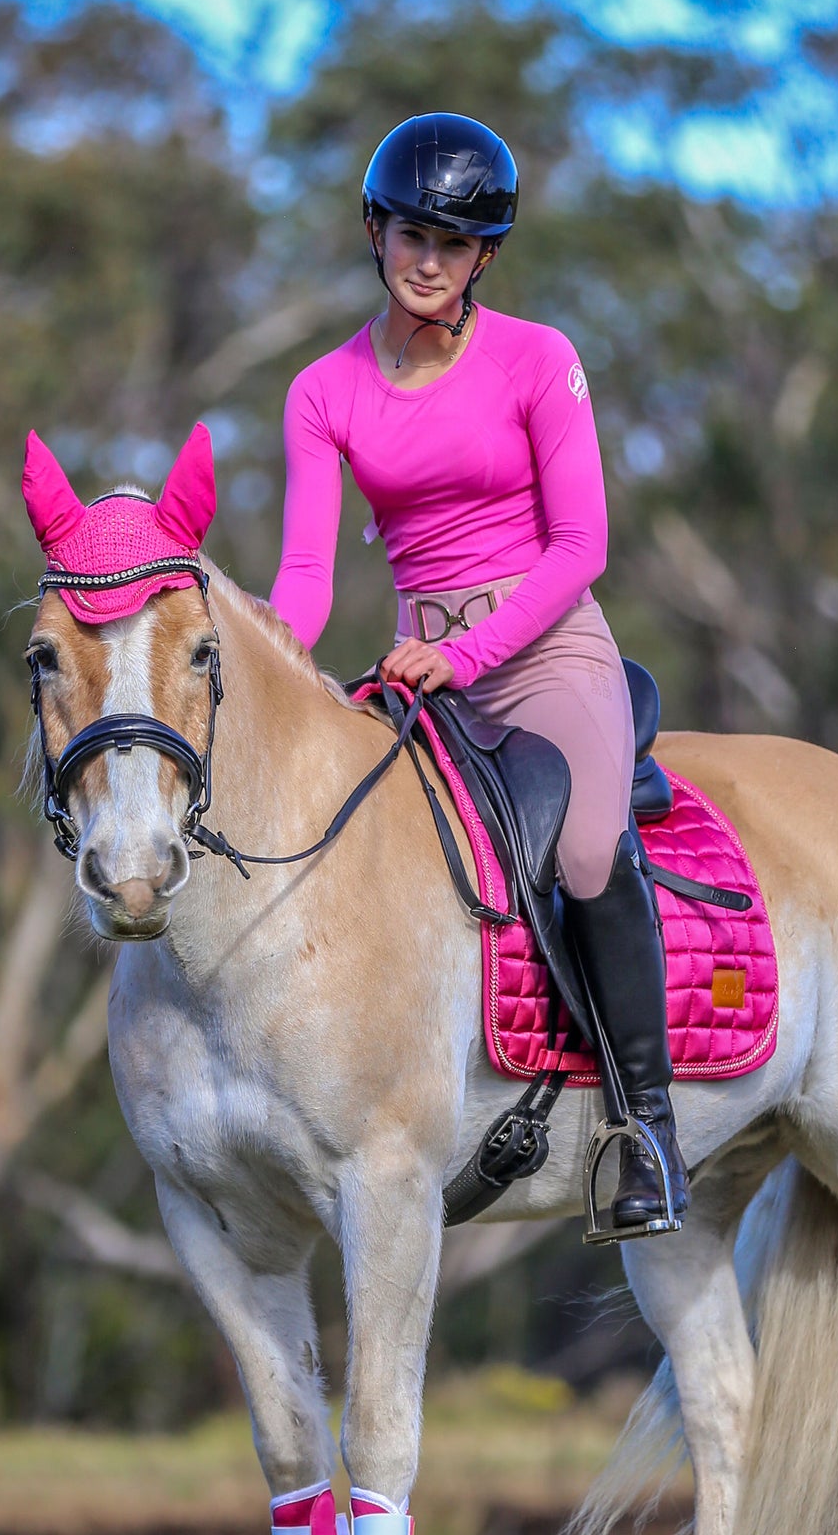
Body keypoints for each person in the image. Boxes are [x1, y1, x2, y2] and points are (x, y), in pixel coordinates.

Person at [270, 111, 687, 1232]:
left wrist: (461, 650)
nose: (427, 259)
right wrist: (266, 658)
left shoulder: (538, 359)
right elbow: (307, 571)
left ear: (482, 257)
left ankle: (646, 1127)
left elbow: (580, 548)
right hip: (417, 667)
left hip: (542, 646)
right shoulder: (323, 392)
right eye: (410, 232)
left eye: (452, 243)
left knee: (590, 847)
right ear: (374, 229)